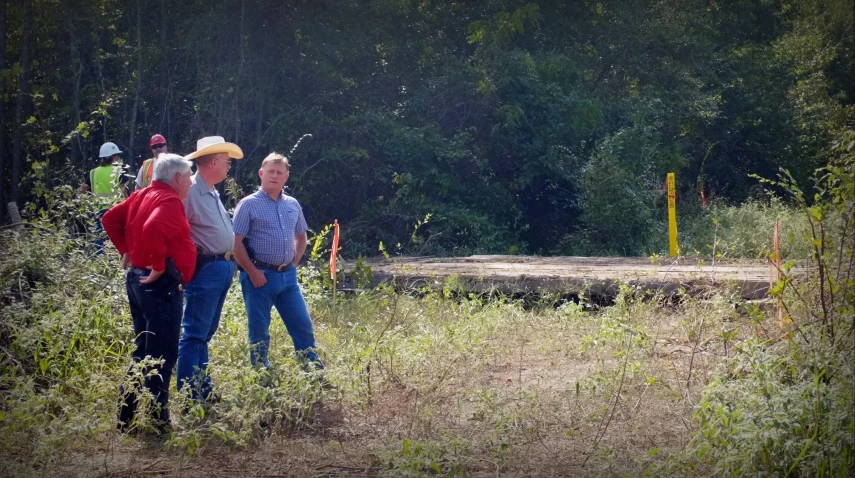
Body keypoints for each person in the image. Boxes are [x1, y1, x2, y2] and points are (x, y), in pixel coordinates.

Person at [101, 154, 197, 434]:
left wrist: (127, 250)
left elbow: (109, 219)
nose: (191, 181)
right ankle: (158, 421)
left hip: (138, 280)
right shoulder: (168, 201)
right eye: (189, 176)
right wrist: (156, 264)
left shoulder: (142, 195)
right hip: (160, 285)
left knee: (143, 350)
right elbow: (152, 227)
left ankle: (125, 418)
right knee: (163, 353)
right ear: (177, 178)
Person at [232, 152, 323, 370]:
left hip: (288, 278)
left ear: (286, 177)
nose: (274, 176)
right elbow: (235, 243)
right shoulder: (248, 205)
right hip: (260, 277)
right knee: (260, 330)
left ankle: (313, 372)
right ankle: (262, 375)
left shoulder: (292, 204)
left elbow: (301, 236)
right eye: (270, 172)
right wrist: (252, 272)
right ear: (261, 174)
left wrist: (293, 264)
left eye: (279, 172)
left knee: (302, 325)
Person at [176, 136, 244, 401]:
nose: (229, 167)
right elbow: (175, 228)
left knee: (204, 334)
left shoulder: (210, 189)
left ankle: (202, 390)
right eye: (227, 162)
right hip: (205, 270)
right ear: (213, 162)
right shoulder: (190, 191)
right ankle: (191, 395)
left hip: (220, 267)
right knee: (194, 334)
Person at [77, 141, 130, 253]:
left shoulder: (93, 172)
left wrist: (85, 203)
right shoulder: (119, 170)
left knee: (100, 240)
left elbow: (80, 191)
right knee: (118, 239)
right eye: (117, 155)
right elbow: (123, 191)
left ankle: (101, 266)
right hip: (117, 210)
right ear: (113, 157)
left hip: (99, 211)